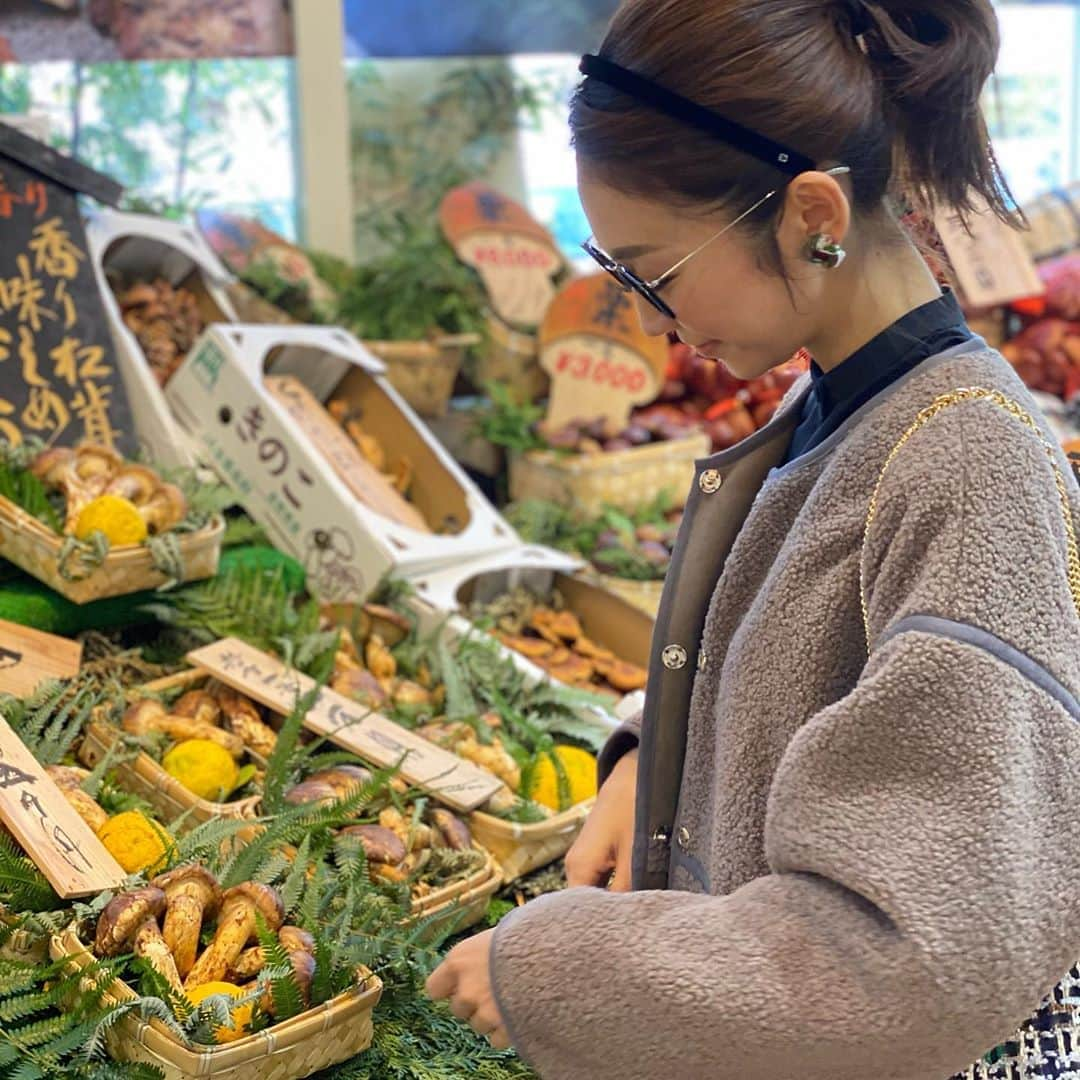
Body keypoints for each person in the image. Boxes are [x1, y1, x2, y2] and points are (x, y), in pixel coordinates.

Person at [426, 1, 1080, 1077]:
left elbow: (903, 971)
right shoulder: (844, 406)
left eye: (655, 272)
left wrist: (549, 966)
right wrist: (651, 759)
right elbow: (798, 670)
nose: (645, 320)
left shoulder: (964, 464)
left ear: (812, 212)